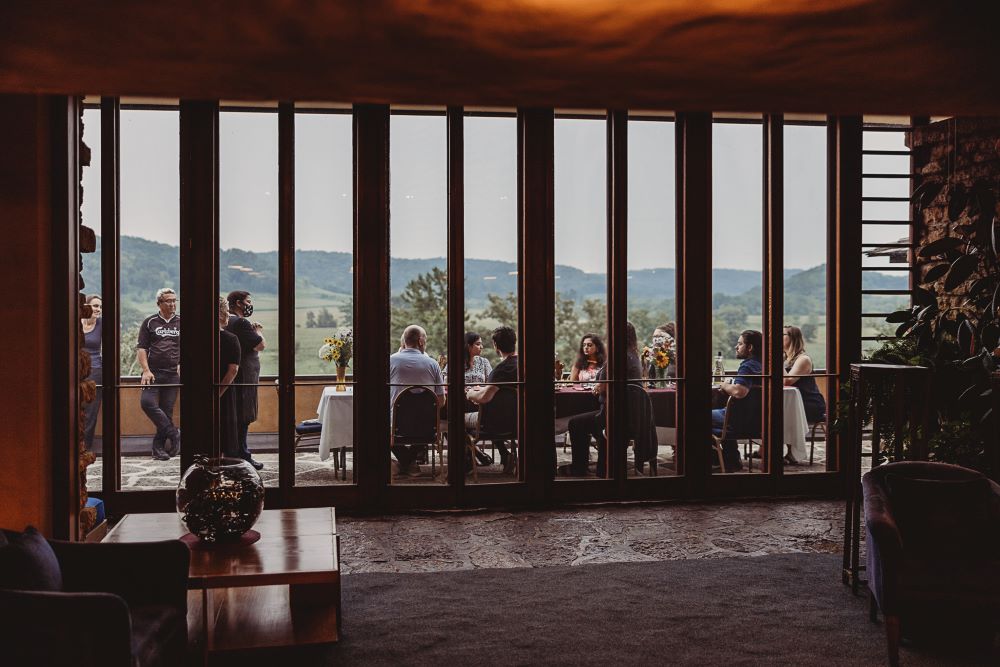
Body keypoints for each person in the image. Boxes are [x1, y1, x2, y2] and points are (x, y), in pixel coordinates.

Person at [560, 322, 643, 478]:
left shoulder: (619, 357)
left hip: (612, 416)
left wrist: (599, 386)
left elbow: (602, 386)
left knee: (576, 423)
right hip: (629, 414)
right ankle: (598, 463)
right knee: (584, 420)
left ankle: (580, 467)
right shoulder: (633, 356)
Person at [389, 325, 446, 476]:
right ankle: (409, 463)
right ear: (421, 341)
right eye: (425, 339)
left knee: (378, 426)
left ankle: (405, 463)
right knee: (426, 422)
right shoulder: (433, 364)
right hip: (427, 429)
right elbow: (441, 402)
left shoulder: (390, 361)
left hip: (395, 426)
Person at [465, 326, 519, 473]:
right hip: (520, 418)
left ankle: (466, 461)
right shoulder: (525, 364)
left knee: (454, 419)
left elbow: (484, 397)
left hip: (495, 421)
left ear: (495, 345)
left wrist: (470, 393)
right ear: (515, 342)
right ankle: (501, 455)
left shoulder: (501, 370)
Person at [137, 288, 181, 461]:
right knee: (147, 403)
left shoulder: (180, 322)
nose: (172, 304)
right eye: (168, 301)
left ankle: (158, 449)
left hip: (172, 374)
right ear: (159, 304)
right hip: (153, 373)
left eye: (174, 300)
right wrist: (146, 370)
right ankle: (174, 433)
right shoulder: (150, 322)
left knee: (166, 411)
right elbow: (142, 348)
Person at [711, 329, 763, 473]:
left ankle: (721, 459)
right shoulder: (764, 364)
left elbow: (739, 392)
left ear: (750, 347)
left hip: (741, 420)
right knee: (725, 421)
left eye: (740, 344)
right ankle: (730, 459)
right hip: (758, 421)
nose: (736, 347)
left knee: (695, 416)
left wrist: (724, 384)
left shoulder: (748, 365)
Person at [226, 290, 266, 470]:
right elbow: (260, 345)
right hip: (245, 376)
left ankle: (235, 452)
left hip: (237, 376)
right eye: (248, 301)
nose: (250, 305)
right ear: (238, 303)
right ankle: (243, 454)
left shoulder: (229, 322)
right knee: (245, 415)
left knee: (238, 416)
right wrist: (257, 331)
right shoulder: (241, 322)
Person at [783, 325, 827, 461]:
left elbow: (787, 381)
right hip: (794, 401)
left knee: (781, 411)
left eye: (783, 334)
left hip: (809, 403)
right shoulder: (787, 359)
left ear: (793, 338)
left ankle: (792, 453)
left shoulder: (803, 359)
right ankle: (765, 449)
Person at [218, 297, 241, 459]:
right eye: (226, 311)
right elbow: (232, 370)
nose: (228, 315)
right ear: (219, 314)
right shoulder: (230, 339)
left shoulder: (193, 338)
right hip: (223, 393)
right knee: (223, 434)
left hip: (199, 394)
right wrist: (218, 392)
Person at [81, 295, 103, 450]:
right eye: (95, 306)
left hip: (95, 370)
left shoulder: (102, 324)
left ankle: (85, 447)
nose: (98, 310)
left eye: (100, 307)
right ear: (86, 306)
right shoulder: (76, 322)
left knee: (91, 411)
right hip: (76, 371)